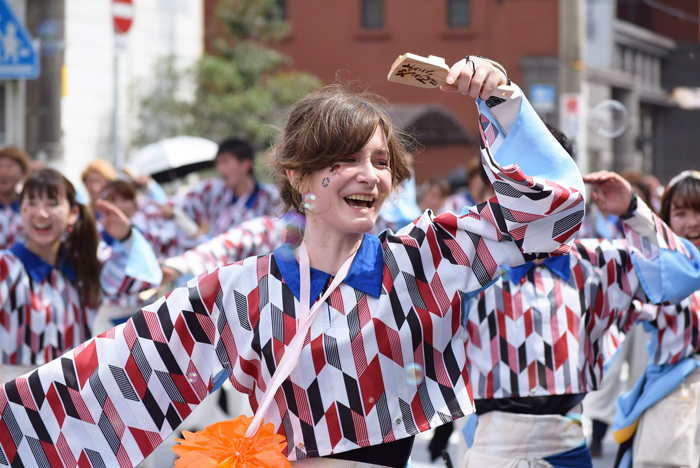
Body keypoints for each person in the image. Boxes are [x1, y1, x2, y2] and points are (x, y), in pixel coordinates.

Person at [0, 57, 586, 467]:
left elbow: (552, 215)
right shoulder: (241, 291)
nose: (369, 175)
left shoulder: (423, 263)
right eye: (345, 159)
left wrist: (503, 102)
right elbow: (112, 379)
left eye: (381, 161)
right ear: (299, 176)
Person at [459, 168, 700, 467]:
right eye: (521, 192)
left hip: (568, 448)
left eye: (549, 192)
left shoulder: (596, 262)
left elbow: (690, 267)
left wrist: (632, 208)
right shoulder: (469, 262)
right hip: (492, 445)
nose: (537, 204)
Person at [0, 168, 161, 384]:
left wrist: (126, 237)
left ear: (72, 213)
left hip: (74, 388)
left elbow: (139, 282)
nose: (41, 213)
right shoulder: (7, 265)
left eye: (52, 203)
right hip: (15, 389)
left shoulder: (83, 263)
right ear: (21, 210)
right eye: (32, 203)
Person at [612, 169, 700, 468]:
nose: (693, 222)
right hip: (675, 396)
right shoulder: (660, 276)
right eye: (681, 212)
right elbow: (629, 304)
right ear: (666, 220)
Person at [169, 138, 283, 238]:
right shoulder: (211, 190)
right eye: (218, 163)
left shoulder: (271, 197)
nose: (221, 169)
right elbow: (179, 203)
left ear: (245, 164)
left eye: (225, 161)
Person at [0, 146, 29, 250]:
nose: (3, 172)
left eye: (9, 167)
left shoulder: (29, 208)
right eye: (0, 166)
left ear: (22, 173)